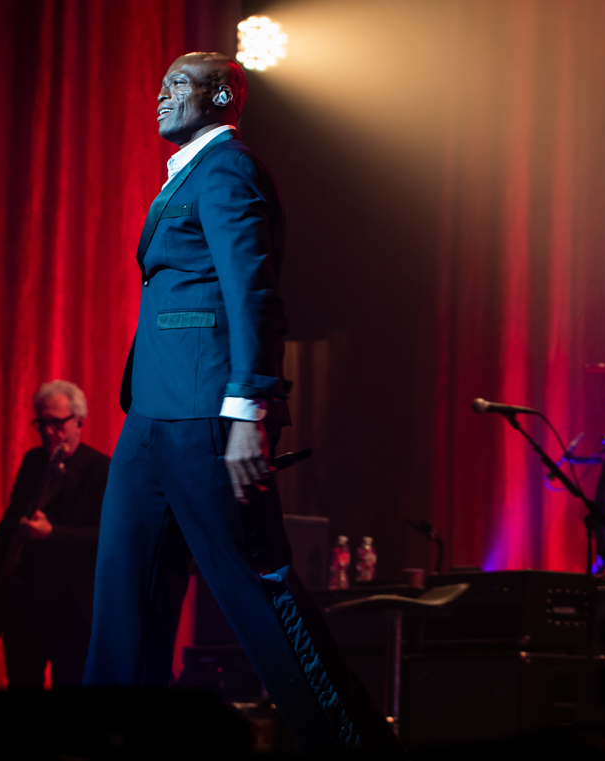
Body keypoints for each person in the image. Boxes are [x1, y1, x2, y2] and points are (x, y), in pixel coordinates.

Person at [83, 53, 399, 753]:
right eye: (159, 84)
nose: (161, 95)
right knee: (123, 598)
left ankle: (353, 744)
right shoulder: (189, 175)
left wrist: (249, 408)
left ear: (224, 95)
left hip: (206, 415)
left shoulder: (228, 170)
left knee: (258, 592)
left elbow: (252, 292)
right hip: (150, 417)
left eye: (179, 85)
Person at [0, 380, 110, 687]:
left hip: (71, 608)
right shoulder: (33, 461)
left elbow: (104, 537)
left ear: (79, 422)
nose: (48, 432)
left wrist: (52, 534)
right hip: (25, 605)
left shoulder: (100, 468)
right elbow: (11, 518)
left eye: (57, 423)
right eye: (42, 423)